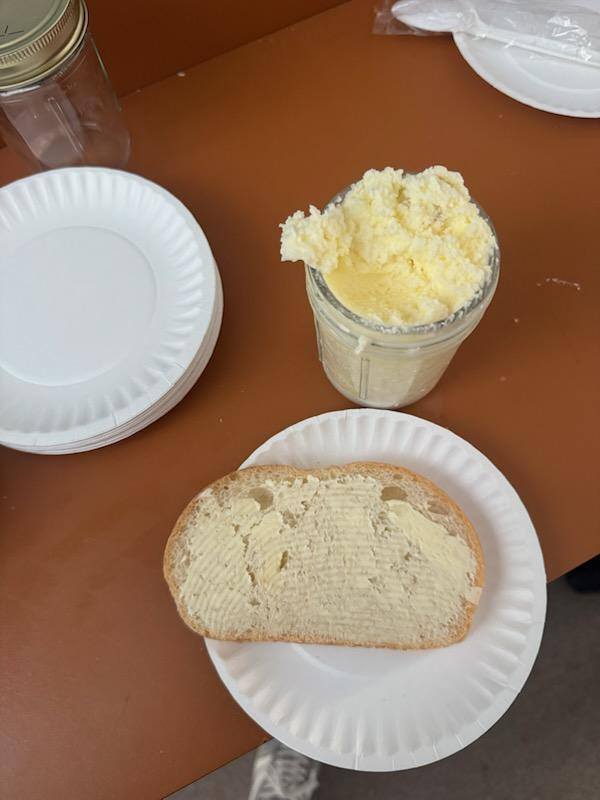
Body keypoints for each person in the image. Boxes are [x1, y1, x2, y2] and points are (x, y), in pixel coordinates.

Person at [248, 740, 320, 800]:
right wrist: (286, 794)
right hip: (302, 757)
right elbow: (313, 782)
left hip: (274, 754)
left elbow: (262, 772)